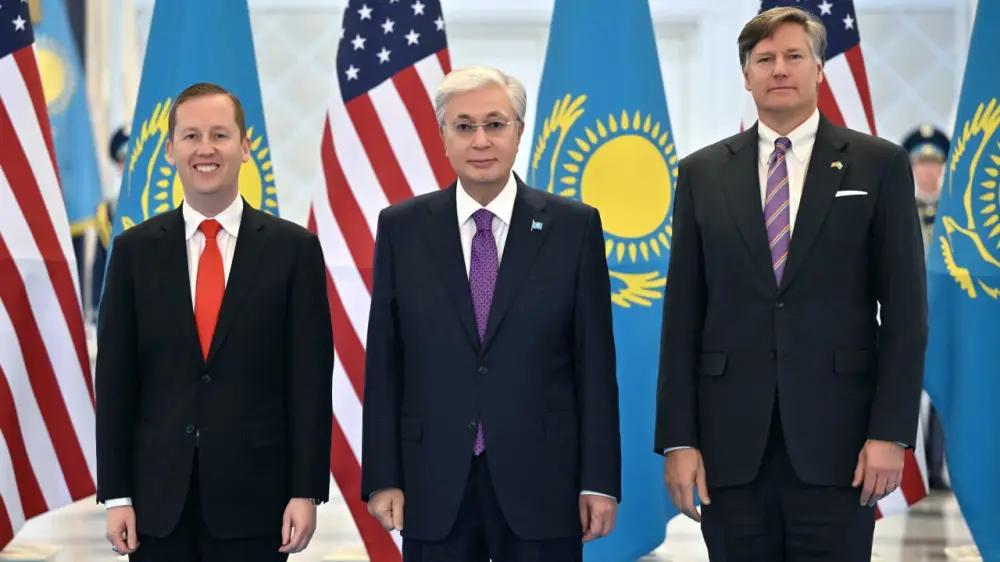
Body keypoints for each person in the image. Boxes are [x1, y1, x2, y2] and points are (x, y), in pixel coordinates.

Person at [654, 7, 927, 560]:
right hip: (731, 450)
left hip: (842, 447)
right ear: (746, 75)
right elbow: (682, 316)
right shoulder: (701, 173)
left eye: (794, 56)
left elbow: (905, 314)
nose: (780, 69)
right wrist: (679, 441)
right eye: (765, 59)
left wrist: (890, 433)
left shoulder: (877, 165)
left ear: (819, 69)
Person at [360, 65, 621, 562]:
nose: (480, 140)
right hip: (431, 481)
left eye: (495, 124)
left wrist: (599, 481)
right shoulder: (402, 228)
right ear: (443, 137)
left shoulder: (574, 227)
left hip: (545, 482)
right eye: (464, 126)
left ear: (519, 132)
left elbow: (594, 367)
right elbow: (385, 365)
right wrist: (382, 477)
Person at [95, 82, 334, 561]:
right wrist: (117, 495)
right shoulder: (133, 252)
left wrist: (305, 490)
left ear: (245, 147)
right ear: (169, 151)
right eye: (191, 136)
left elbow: (309, 382)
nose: (205, 149)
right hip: (156, 504)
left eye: (220, 135)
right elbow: (116, 381)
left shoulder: (294, 251)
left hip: (258, 502)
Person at [902, 124, 949, 253]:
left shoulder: (953, 208)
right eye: (922, 162)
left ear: (942, 165)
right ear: (912, 166)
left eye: (933, 161)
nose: (928, 169)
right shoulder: (902, 209)